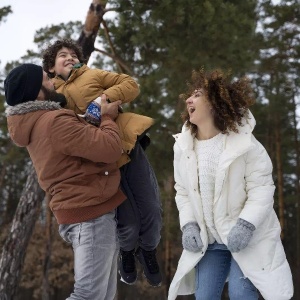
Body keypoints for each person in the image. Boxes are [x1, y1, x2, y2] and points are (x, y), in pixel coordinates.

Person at [42, 39, 162, 287]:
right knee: (126, 220)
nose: (70, 57)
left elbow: (130, 84)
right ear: (51, 68)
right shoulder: (50, 93)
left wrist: (102, 99)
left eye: (73, 54)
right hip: (98, 161)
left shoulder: (93, 74)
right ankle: (127, 252)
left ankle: (148, 250)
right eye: (62, 55)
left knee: (150, 207)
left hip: (127, 145)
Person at [168, 69, 294, 300]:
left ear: (215, 103)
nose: (188, 100)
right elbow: (182, 192)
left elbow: (262, 189)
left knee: (241, 294)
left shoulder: (246, 145)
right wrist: (189, 225)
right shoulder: (183, 147)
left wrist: (246, 225)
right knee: (204, 296)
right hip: (211, 242)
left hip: (246, 239)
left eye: (197, 95)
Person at [4, 63, 126, 300]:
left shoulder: (38, 124)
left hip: (86, 212)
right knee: (88, 295)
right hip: (89, 214)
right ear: (37, 91)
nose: (51, 79)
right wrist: (108, 118)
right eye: (45, 78)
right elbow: (110, 149)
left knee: (102, 296)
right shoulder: (54, 122)